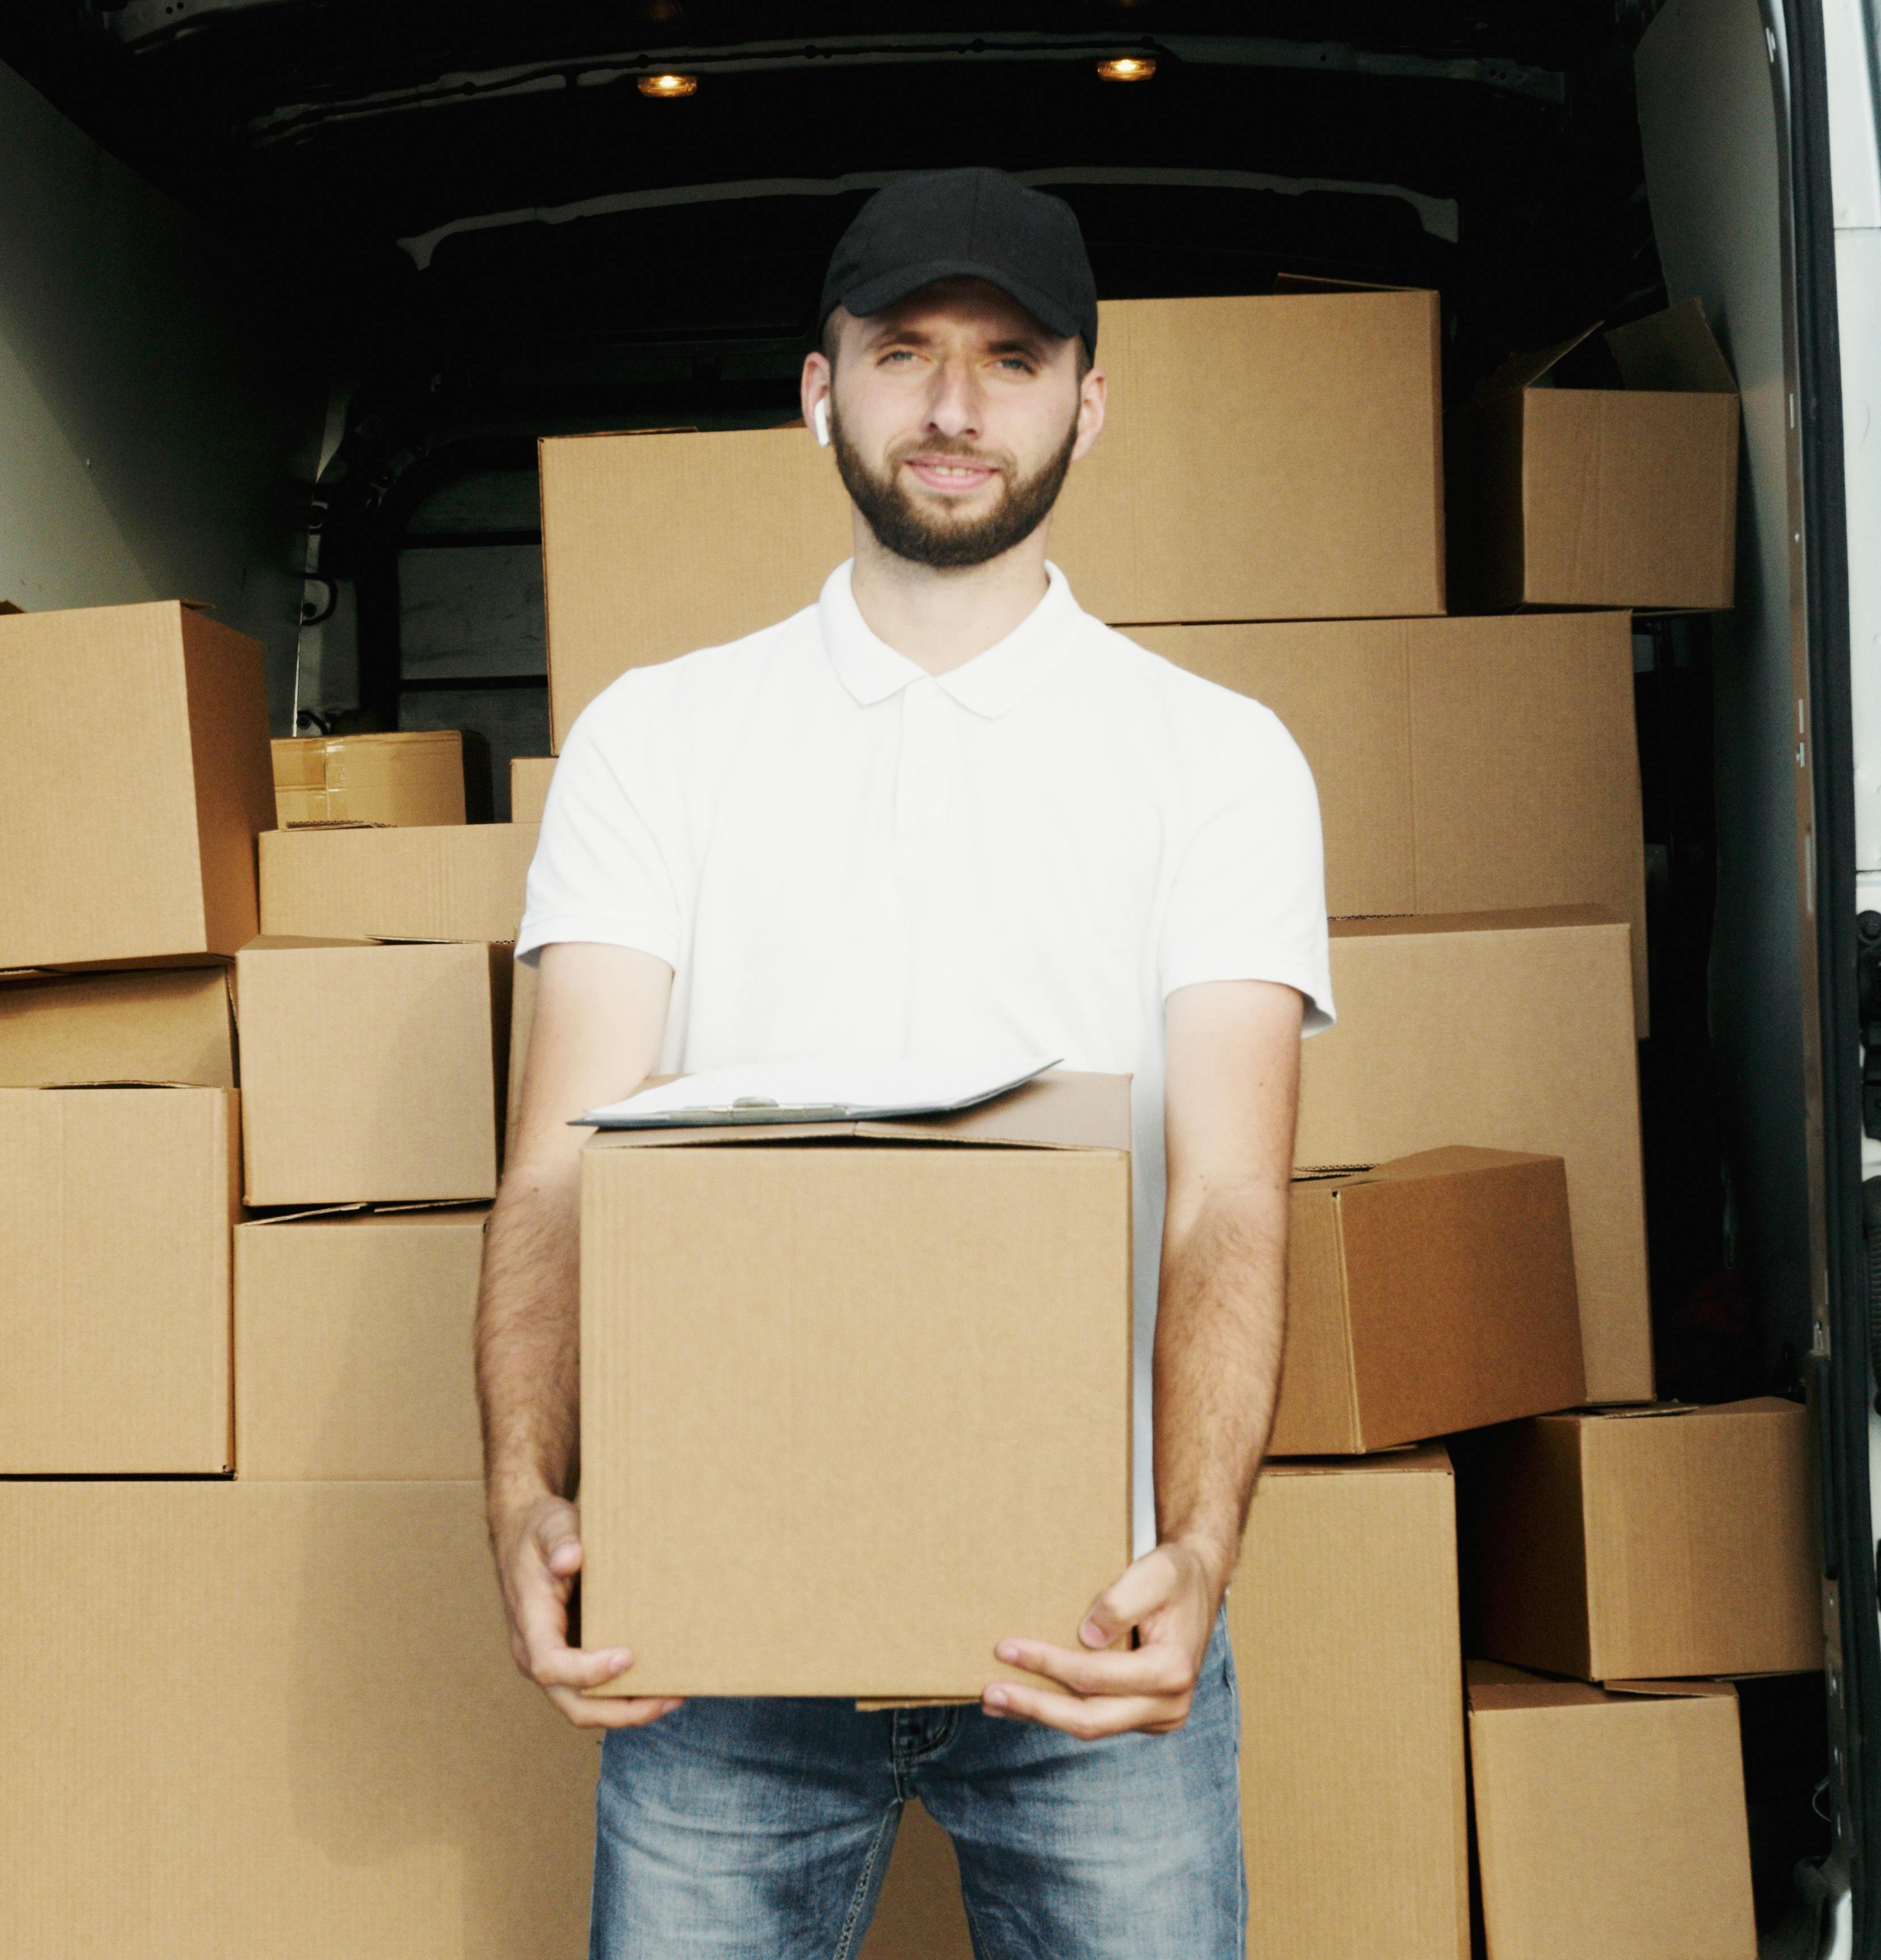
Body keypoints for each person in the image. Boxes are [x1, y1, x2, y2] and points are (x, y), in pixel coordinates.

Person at [477, 167, 1332, 1958]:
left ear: (1088, 403)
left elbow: (1230, 1201)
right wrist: (525, 1482)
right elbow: (558, 1162)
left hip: (1088, 1612)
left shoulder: (1218, 761)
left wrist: (1198, 1552)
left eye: (1010, 358)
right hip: (719, 1631)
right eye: (904, 354)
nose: (954, 408)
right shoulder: (661, 739)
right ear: (820, 389)